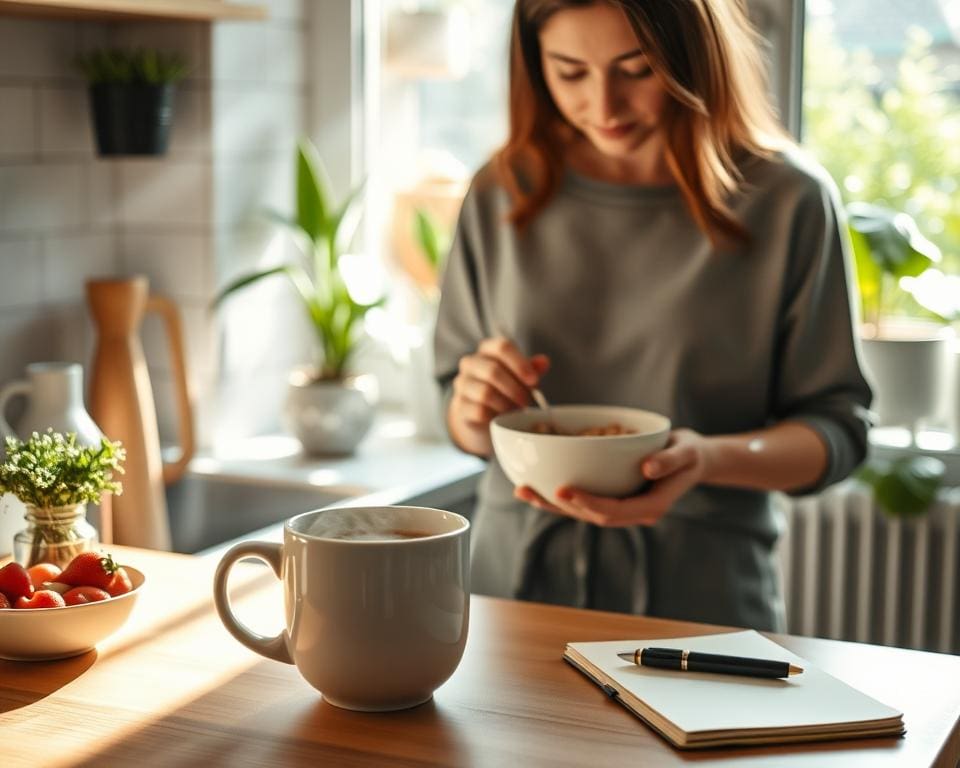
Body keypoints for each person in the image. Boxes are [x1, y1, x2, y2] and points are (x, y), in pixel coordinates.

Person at [433, 0, 872, 631]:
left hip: (702, 600)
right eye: (569, 72)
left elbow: (838, 431)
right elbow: (463, 417)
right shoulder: (501, 190)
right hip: (510, 595)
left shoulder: (787, 201)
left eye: (636, 70)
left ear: (697, 55)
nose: (604, 107)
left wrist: (708, 459)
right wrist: (473, 410)